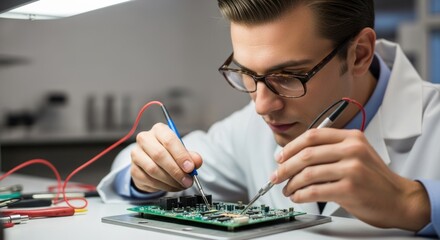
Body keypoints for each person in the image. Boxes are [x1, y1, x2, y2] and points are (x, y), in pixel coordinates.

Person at [98, 0, 439, 237]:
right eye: (246, 73)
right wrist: (146, 173)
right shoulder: (252, 125)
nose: (262, 105)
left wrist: (412, 203)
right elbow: (133, 169)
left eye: (290, 75)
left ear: (359, 54)